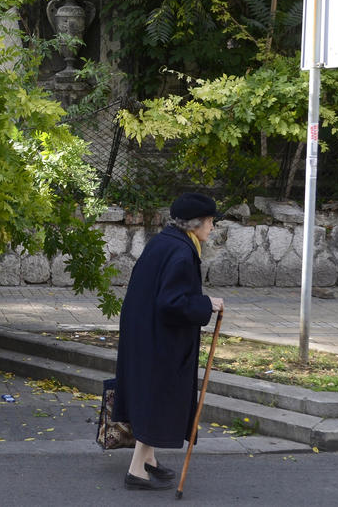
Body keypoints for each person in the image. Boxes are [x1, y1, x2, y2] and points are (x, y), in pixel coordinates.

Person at [113, 192, 224, 491]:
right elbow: (171, 302)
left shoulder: (164, 241)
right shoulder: (182, 253)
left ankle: (148, 459)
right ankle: (137, 470)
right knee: (159, 397)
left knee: (152, 395)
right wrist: (206, 304)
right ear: (196, 224)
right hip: (159, 339)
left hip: (143, 333)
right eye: (211, 222)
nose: (212, 228)